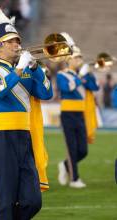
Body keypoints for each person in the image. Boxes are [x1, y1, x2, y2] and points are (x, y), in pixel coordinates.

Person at [0, 5, 53, 219]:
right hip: (1, 139)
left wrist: (35, 69)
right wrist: (19, 69)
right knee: (5, 202)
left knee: (33, 200)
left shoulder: (26, 70)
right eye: (12, 41)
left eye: (18, 41)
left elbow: (46, 93)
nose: (17, 45)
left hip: (24, 137)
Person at [56, 34, 99, 188]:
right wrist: (80, 77)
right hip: (67, 114)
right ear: (68, 60)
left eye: (80, 58)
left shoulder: (82, 75)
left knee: (83, 149)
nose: (79, 60)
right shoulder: (62, 75)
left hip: (80, 114)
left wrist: (89, 75)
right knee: (72, 147)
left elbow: (95, 88)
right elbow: (66, 88)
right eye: (76, 58)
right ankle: (74, 179)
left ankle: (65, 165)